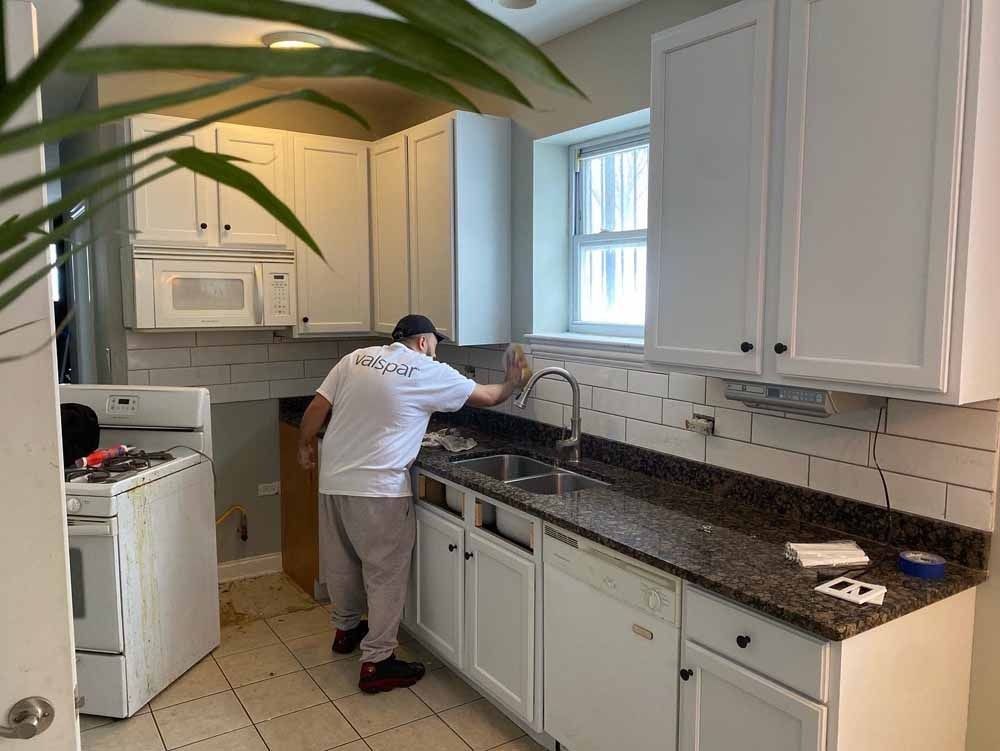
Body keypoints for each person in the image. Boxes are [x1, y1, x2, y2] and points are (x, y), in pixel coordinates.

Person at [296, 314, 526, 694]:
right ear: (423, 342)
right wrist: (513, 381)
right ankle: (378, 662)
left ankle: (346, 630)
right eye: (435, 342)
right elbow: (487, 397)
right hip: (379, 486)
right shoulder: (427, 370)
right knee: (384, 573)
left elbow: (318, 408)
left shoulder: (356, 358)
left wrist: (305, 445)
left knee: (342, 562)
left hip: (334, 479)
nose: (437, 349)